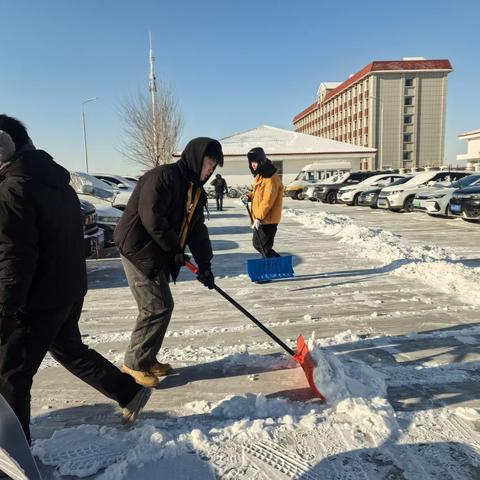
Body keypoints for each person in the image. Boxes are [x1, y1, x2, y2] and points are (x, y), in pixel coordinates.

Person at [0, 115, 150, 445]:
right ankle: (128, 391)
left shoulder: (13, 190)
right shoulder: (58, 183)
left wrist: (5, 313)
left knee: (10, 376)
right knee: (69, 349)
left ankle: (14, 454)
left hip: (36, 300)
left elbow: (15, 260)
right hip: (67, 290)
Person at [114, 137, 223, 388]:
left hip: (157, 249)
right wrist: (174, 249)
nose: (210, 170)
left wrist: (205, 265)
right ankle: (134, 364)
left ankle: (146, 358)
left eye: (215, 165)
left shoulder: (194, 189)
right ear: (196, 157)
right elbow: (152, 218)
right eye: (209, 162)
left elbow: (196, 229)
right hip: (137, 248)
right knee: (157, 306)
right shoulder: (163, 177)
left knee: (161, 305)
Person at [242, 147, 283, 258]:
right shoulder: (261, 175)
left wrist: (259, 218)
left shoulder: (271, 178)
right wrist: (248, 196)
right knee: (258, 244)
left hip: (268, 219)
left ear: (261, 161)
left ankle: (276, 264)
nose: (253, 166)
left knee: (263, 246)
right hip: (261, 218)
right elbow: (257, 193)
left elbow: (268, 200)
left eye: (254, 163)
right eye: (251, 163)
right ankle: (274, 263)